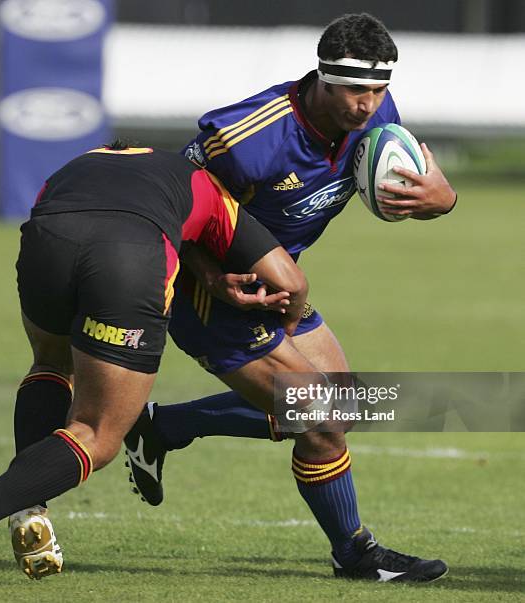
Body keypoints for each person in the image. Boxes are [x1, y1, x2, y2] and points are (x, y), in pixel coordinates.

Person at [124, 13, 456, 582]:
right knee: (322, 421)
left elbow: (425, 180)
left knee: (346, 407)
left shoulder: (379, 120)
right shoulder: (247, 138)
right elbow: (168, 196)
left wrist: (443, 198)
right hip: (215, 296)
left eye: (379, 90)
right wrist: (206, 275)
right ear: (322, 79)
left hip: (280, 285)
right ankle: (354, 554)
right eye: (354, 90)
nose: (367, 105)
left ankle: (165, 427)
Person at [0, 142, 308, 587]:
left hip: (47, 241)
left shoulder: (75, 165)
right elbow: (290, 282)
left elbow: (44, 208)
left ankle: (30, 508)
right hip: (131, 258)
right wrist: (291, 327)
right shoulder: (203, 179)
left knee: (50, 361)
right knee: (98, 435)